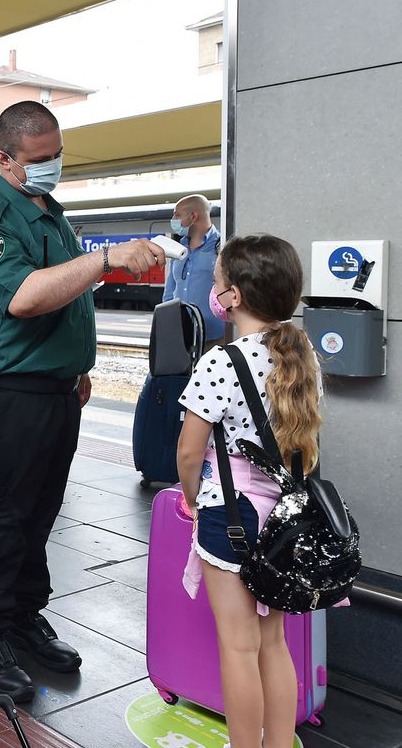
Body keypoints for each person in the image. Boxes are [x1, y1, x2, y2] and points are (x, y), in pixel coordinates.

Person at [0, 101, 166, 700]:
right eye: (39, 159)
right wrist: (104, 259)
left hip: (52, 394)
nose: (52, 167)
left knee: (39, 512)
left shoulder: (49, 210)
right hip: (0, 398)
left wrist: (72, 368)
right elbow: (23, 296)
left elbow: (64, 295)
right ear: (6, 160)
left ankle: (21, 618)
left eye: (57, 155)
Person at [176, 235, 321, 748]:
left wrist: (192, 497)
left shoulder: (220, 362)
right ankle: (280, 742)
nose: (214, 291)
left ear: (233, 296)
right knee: (273, 643)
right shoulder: (301, 356)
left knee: (237, 649)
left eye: (217, 283)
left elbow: (190, 452)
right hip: (285, 518)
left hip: (232, 516)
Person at [163, 194, 224, 350]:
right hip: (180, 334)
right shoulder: (177, 248)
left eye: (177, 214)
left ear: (193, 216)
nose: (173, 219)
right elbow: (170, 291)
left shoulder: (222, 247)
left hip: (214, 336)